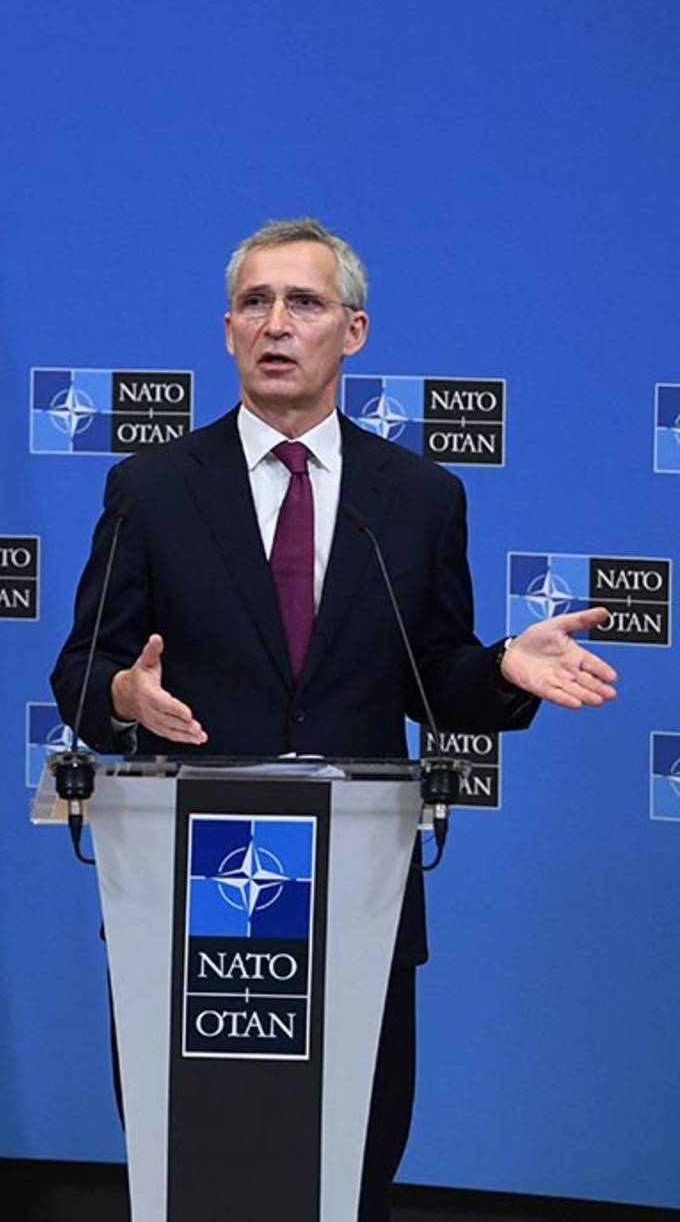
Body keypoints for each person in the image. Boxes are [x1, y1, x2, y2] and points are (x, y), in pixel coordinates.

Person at [48, 219, 617, 1221]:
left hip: (358, 896)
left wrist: (501, 668)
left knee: (351, 1168)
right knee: (197, 1171)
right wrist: (123, 696)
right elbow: (82, 669)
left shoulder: (421, 498)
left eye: (304, 303)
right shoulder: (152, 488)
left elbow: (436, 679)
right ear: (228, 329)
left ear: (353, 331)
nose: (278, 324)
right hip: (194, 895)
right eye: (256, 303)